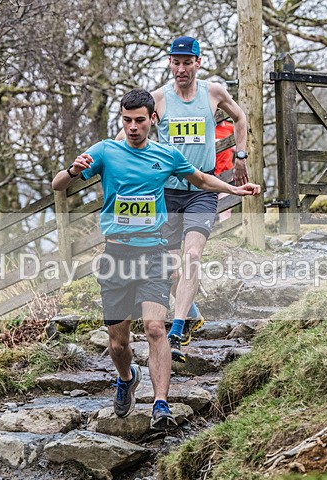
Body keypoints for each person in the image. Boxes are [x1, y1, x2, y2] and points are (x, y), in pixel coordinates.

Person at [53, 89, 259, 430]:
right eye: (126, 120)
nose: (133, 127)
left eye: (139, 120)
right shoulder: (105, 151)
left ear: (153, 120)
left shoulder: (167, 155)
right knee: (119, 343)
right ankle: (127, 377)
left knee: (153, 328)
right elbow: (57, 185)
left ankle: (161, 404)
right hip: (116, 255)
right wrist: (73, 170)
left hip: (153, 252)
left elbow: (201, 178)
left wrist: (234, 189)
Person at [118, 36, 249, 363]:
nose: (181, 69)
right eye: (175, 63)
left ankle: (176, 330)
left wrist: (241, 156)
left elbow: (241, 117)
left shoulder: (213, 92)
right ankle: (190, 312)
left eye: (186, 63)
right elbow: (127, 135)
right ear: (170, 64)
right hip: (167, 192)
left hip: (203, 188)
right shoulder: (159, 98)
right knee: (170, 265)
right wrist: (103, 160)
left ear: (197, 63)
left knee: (192, 255)